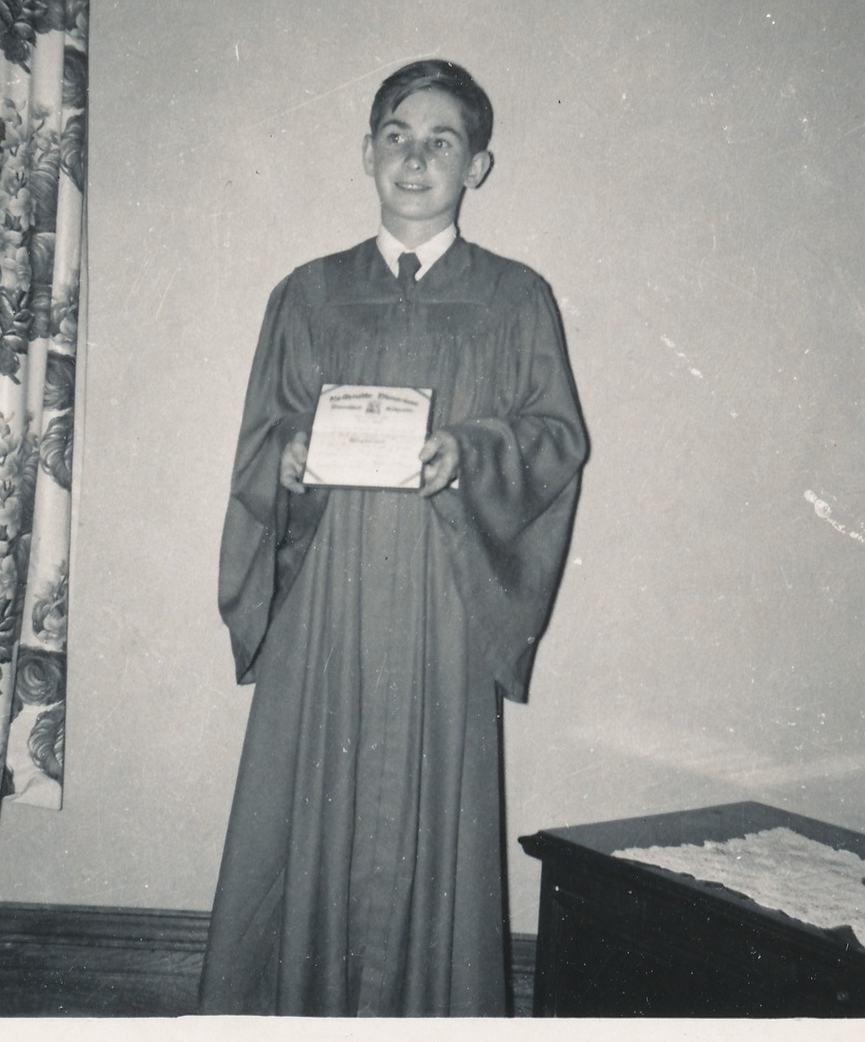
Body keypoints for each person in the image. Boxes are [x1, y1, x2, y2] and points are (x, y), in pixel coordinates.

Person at [198, 59, 587, 1017]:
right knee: (302, 815)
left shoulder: (515, 298)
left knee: (431, 817)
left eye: (441, 141)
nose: (416, 157)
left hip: (440, 601)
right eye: (397, 136)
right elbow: (263, 435)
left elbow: (555, 439)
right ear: (367, 153)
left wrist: (471, 450)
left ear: (478, 166)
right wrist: (285, 461)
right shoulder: (309, 293)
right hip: (326, 597)